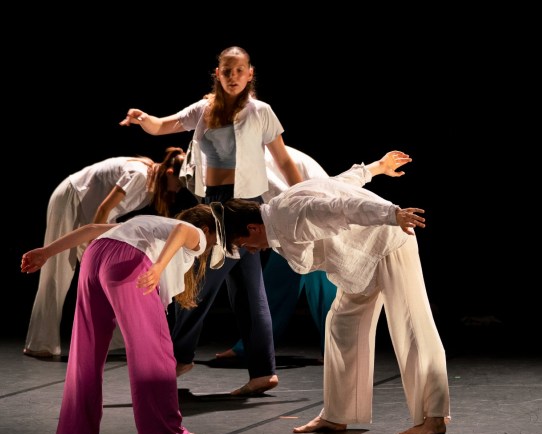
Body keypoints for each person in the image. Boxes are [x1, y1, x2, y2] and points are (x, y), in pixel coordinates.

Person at [218, 150, 451, 434]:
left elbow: (342, 206)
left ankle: (434, 417)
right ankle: (337, 415)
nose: (250, 250)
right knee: (341, 327)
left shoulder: (288, 214)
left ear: (252, 227)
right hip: (362, 257)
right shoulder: (280, 209)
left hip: (388, 242)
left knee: (412, 326)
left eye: (244, 243)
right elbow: (336, 183)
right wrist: (377, 167)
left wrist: (392, 214)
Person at [120, 46, 303, 395]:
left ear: (250, 74)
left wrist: (302, 197)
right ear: (217, 74)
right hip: (213, 202)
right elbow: (163, 126)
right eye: (227, 71)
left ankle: (178, 357)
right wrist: (143, 118)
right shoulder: (204, 109)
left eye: (239, 70)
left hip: (242, 206)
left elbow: (283, 161)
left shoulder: (261, 112)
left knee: (198, 281)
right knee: (249, 290)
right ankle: (263, 371)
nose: (233, 76)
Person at [20, 204, 222, 434]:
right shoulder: (195, 232)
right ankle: (163, 433)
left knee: (86, 349)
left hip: (94, 257)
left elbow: (91, 229)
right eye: (214, 240)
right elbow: (182, 229)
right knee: (153, 352)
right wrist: (158, 267)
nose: (209, 246)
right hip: (128, 261)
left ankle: (76, 432)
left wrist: (46, 252)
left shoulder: (148, 224)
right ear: (206, 229)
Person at [24, 147, 196, 358]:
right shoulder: (141, 175)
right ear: (169, 173)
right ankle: (40, 343)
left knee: (108, 276)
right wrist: (95, 246)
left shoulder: (151, 182)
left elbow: (107, 213)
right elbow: (104, 208)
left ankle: (115, 339)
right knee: (58, 270)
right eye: (179, 183)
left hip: (91, 213)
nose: (178, 189)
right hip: (72, 198)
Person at [216, 146, 337, 360]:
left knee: (321, 286)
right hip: (291, 218)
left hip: (311, 217)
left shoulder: (254, 158)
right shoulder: (243, 158)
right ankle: (252, 346)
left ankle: (335, 350)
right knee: (277, 282)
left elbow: (295, 196)